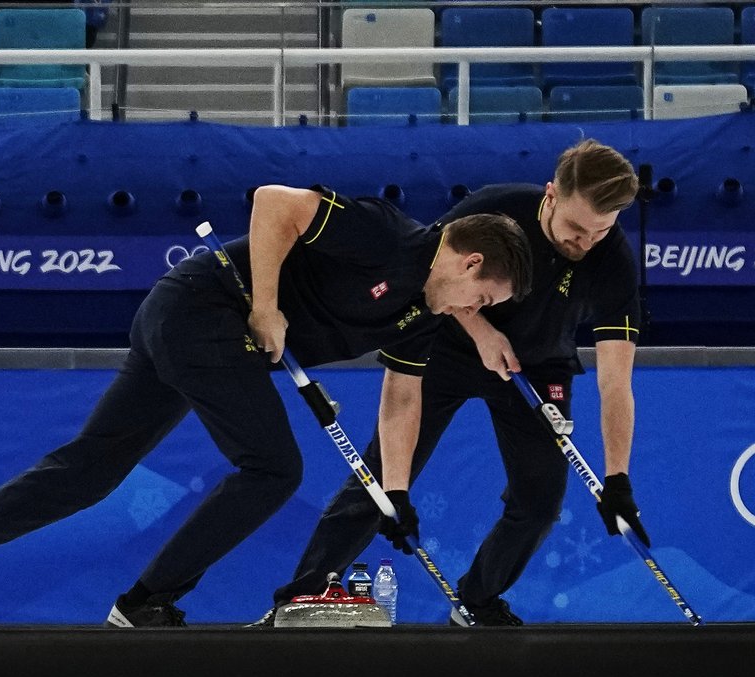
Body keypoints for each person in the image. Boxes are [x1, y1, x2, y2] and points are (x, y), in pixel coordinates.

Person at [0, 186, 530, 628]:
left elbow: (403, 396)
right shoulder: (388, 235)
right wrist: (267, 305)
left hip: (202, 329)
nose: (479, 316)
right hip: (203, 308)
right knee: (273, 468)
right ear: (469, 263)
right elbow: (274, 203)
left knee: (90, 469)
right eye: (486, 300)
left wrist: (395, 492)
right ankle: (146, 601)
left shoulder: (424, 315)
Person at [270, 140, 644, 629]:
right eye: (576, 228)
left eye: (601, 230)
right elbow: (433, 271)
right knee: (385, 478)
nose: (585, 243)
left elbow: (616, 381)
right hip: (447, 342)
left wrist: (617, 479)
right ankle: (302, 598)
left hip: (537, 369)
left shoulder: (612, 260)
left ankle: (476, 602)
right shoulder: (498, 207)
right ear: (551, 195)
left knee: (541, 502)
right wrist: (482, 330)